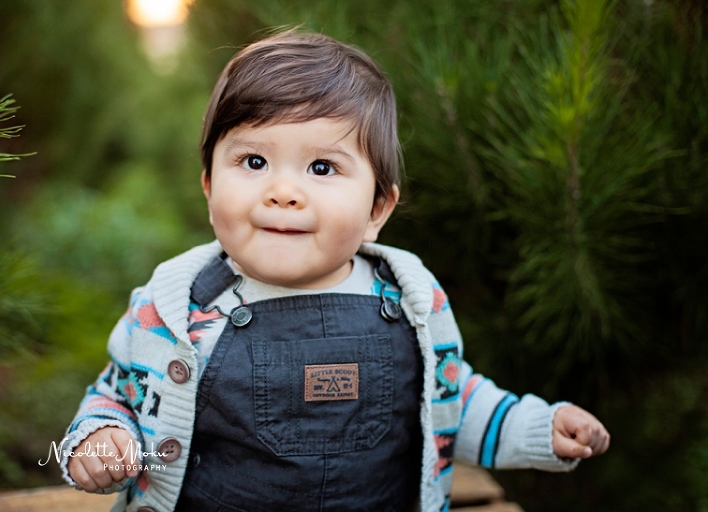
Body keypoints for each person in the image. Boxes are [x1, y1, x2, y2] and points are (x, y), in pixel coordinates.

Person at [60, 30, 609, 512]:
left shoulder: (413, 303)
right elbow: (117, 393)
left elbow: (451, 401)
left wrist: (538, 430)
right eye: (254, 162)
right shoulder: (177, 308)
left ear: (377, 210)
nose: (282, 192)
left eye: (322, 167)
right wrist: (103, 437)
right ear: (208, 187)